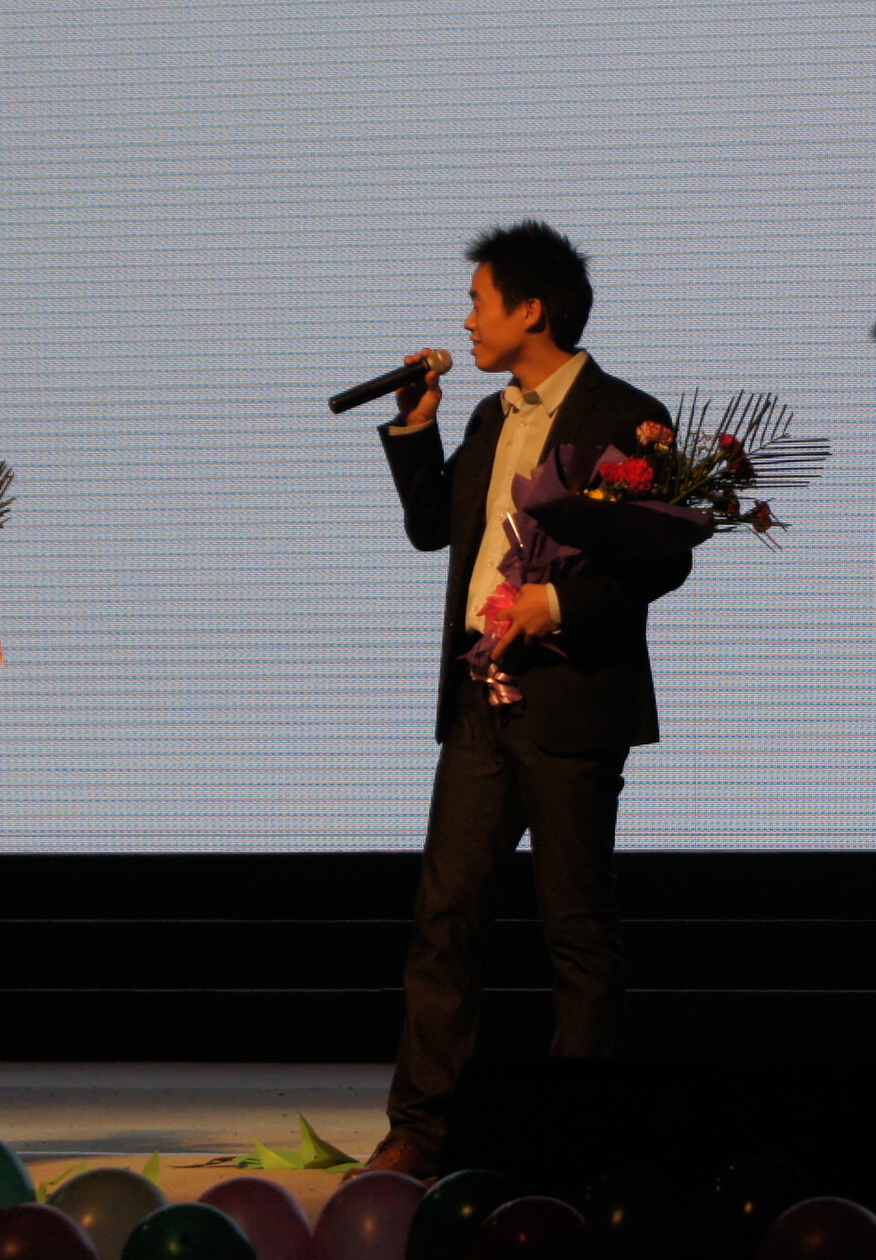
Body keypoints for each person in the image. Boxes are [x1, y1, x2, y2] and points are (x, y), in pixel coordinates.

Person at [362, 221, 693, 1178]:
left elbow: (664, 557)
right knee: (445, 917)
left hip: (570, 698)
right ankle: (420, 1131)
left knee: (576, 930)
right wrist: (416, 428)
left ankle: (574, 1139)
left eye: (479, 302)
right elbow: (435, 528)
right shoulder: (485, 416)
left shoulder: (627, 417)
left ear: (531, 309)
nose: (467, 321)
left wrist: (559, 603)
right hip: (480, 699)